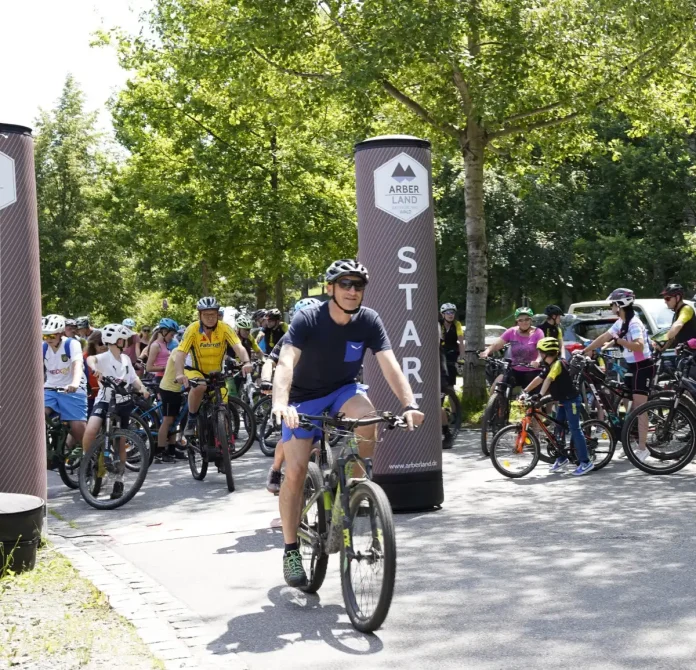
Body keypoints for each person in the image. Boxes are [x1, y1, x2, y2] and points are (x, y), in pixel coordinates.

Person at [272, 259, 424, 587]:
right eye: (345, 284)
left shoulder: (368, 321)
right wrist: (281, 404)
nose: (353, 291)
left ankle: (351, 494)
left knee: (369, 418)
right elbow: (286, 362)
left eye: (358, 286)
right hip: (302, 398)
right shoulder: (308, 318)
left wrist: (409, 404)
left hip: (343, 391)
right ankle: (290, 549)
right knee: (296, 471)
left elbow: (390, 364)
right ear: (330, 289)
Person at [582, 288, 653, 462]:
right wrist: (585, 350)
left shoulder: (634, 323)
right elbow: (603, 337)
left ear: (620, 304)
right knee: (627, 404)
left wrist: (620, 341)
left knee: (639, 407)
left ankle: (643, 449)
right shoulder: (621, 322)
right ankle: (631, 442)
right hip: (632, 366)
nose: (611, 306)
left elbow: (638, 345)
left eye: (613, 303)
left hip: (643, 367)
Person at [84, 323, 150, 499]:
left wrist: (142, 388)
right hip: (105, 401)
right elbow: (91, 359)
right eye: (123, 338)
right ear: (115, 340)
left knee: (121, 441)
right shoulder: (104, 357)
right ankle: (90, 463)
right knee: (90, 431)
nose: (126, 341)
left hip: (122, 403)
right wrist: (95, 369)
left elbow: (134, 378)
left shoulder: (126, 359)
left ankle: (119, 479)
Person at [262, 297, 321, 494]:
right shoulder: (290, 336)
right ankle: (277, 469)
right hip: (293, 394)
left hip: (320, 392)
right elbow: (270, 362)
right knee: (290, 438)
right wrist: (267, 381)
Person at [174, 296, 253, 436]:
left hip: (216, 372)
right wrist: (179, 373)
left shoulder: (224, 328)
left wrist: (246, 362)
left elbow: (238, 346)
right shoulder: (192, 329)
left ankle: (226, 440)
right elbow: (180, 353)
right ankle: (192, 419)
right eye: (206, 315)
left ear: (218, 314)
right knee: (200, 386)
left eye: (213, 314)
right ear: (200, 315)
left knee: (223, 401)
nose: (210, 318)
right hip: (195, 370)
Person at [522, 337, 594, 476]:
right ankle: (561, 458)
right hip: (562, 400)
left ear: (545, 353)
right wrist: (525, 391)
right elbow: (540, 378)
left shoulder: (558, 364)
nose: (539, 355)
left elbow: (549, 379)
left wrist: (540, 395)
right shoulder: (549, 365)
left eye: (540, 352)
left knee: (575, 429)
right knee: (558, 427)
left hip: (571, 400)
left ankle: (586, 462)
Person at [42, 314, 88, 455]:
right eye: (45, 336)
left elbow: (77, 365)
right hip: (50, 388)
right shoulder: (43, 347)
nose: (48, 340)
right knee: (36, 416)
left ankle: (91, 456)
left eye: (52, 336)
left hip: (72, 389)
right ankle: (44, 451)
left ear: (61, 333)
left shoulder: (71, 344)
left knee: (77, 428)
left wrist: (74, 383)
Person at [145, 318, 182, 463]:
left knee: (174, 418)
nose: (173, 337)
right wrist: (165, 368)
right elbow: (149, 367)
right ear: (163, 331)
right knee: (167, 419)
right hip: (161, 380)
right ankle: (160, 451)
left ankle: (172, 449)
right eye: (171, 334)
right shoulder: (156, 346)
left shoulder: (167, 345)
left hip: (173, 380)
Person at [480, 306, 543, 390]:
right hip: (514, 369)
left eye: (527, 319)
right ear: (517, 321)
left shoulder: (538, 332)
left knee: (530, 399)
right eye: (520, 320)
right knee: (496, 386)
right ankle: (495, 402)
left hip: (532, 371)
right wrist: (487, 351)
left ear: (531, 320)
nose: (524, 322)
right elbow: (497, 344)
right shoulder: (511, 331)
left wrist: (537, 361)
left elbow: (541, 351)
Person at [656, 283, 696, 349]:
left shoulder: (686, 309)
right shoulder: (677, 313)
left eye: (667, 299)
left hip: (692, 354)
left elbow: (678, 325)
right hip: (684, 354)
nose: (665, 302)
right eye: (664, 299)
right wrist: (661, 349)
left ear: (677, 297)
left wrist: (662, 340)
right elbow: (672, 337)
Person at [439, 303, 465, 387]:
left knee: (451, 381)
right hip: (441, 351)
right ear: (443, 314)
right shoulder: (439, 324)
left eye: (452, 313)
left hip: (453, 351)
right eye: (448, 313)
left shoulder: (457, 324)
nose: (451, 315)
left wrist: (462, 356)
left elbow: (461, 340)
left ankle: (451, 395)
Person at [84, 329, 107, 414]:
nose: (104, 346)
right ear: (93, 344)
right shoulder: (84, 358)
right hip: (90, 397)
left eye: (106, 343)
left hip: (108, 396)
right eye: (100, 343)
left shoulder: (111, 357)